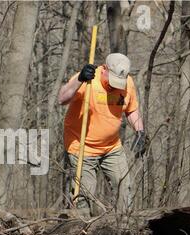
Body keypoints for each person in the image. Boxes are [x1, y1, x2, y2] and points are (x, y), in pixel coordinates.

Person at [58, 53, 146, 217]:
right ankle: (80, 232)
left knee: (123, 188)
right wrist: (79, 80)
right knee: (84, 194)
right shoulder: (88, 79)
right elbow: (62, 99)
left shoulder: (128, 84)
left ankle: (124, 229)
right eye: (112, 80)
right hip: (82, 146)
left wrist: (140, 131)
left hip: (112, 147)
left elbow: (132, 109)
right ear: (104, 69)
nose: (115, 86)